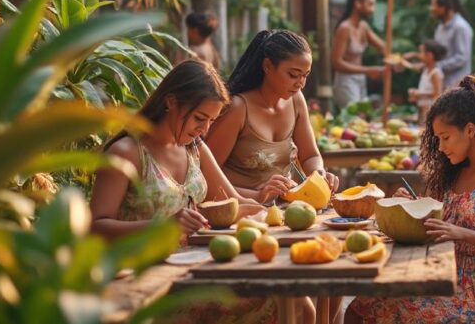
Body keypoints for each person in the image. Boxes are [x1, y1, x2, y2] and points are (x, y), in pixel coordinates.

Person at [90, 60, 312, 323]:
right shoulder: (127, 153)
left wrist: (273, 213)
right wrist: (161, 225)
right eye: (199, 118)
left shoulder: (194, 149)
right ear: (171, 102)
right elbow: (95, 228)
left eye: (211, 121)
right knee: (287, 305)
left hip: (195, 269)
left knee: (300, 304)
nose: (204, 130)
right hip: (144, 280)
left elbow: (236, 203)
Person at [345, 76, 475, 324]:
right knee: (360, 306)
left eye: (445, 137)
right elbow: (435, 226)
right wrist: (409, 206)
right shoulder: (454, 173)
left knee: (367, 310)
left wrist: (461, 233)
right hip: (440, 274)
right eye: (437, 139)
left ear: (470, 130)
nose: (440, 147)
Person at [207, 30, 340, 204]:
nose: (300, 83)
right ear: (267, 66)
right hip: (241, 211)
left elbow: (310, 156)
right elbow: (206, 177)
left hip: (287, 210)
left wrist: (319, 173)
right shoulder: (238, 109)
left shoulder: (296, 100)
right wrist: (258, 195)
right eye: (293, 75)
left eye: (305, 75)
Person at [331, 0, 386, 110]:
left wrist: (401, 60)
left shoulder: (363, 26)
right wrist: (369, 70)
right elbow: (336, 63)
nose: (373, 9)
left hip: (360, 79)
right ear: (357, 4)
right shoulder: (344, 28)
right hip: (346, 82)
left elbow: (383, 48)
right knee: (352, 121)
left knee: (363, 120)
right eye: (370, 4)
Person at [418, 0, 473, 89]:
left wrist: (437, 65)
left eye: (434, 5)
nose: (431, 8)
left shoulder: (460, 27)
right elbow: (436, 53)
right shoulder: (440, 27)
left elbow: (462, 57)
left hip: (456, 86)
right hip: (441, 84)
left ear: (444, 7)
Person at [405, 39, 446, 123]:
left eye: (421, 52)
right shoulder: (426, 70)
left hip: (430, 111)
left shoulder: (435, 73)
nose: (419, 55)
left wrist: (419, 93)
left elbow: (437, 94)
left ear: (430, 55)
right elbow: (411, 66)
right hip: (423, 109)